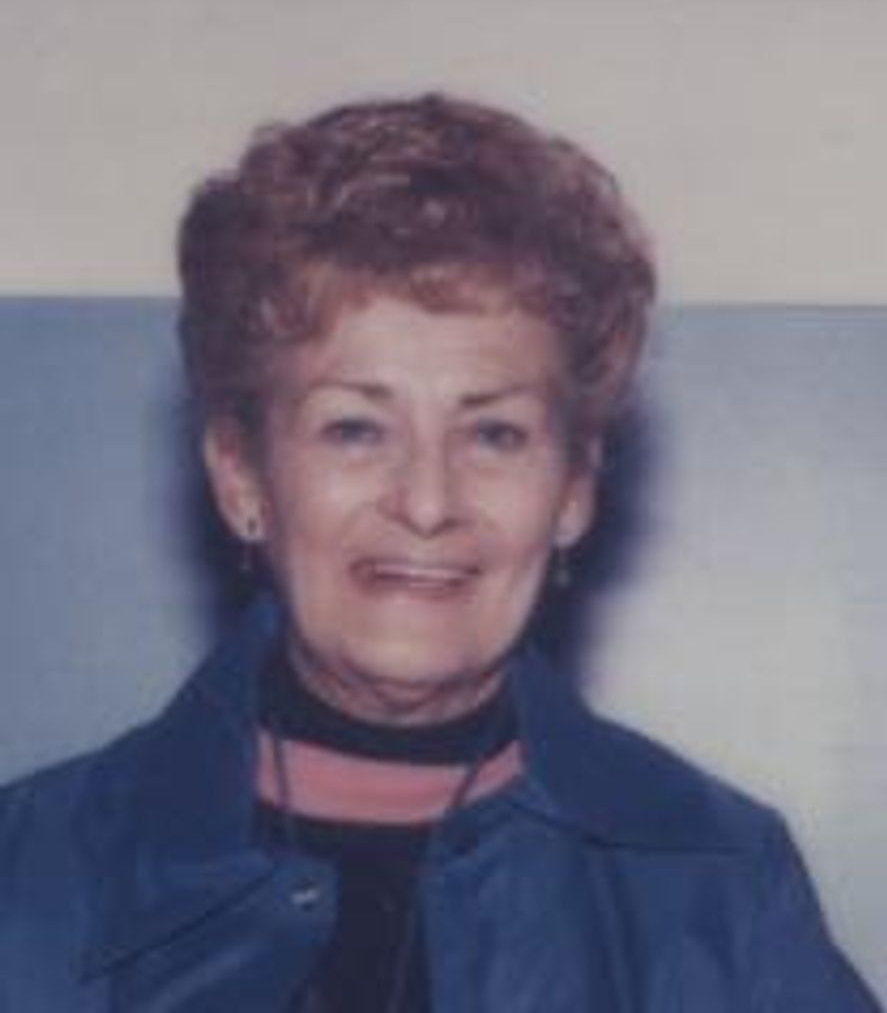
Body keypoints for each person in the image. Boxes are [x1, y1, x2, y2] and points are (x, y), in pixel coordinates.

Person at [0, 94, 880, 1012]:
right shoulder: (24, 878)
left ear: (573, 489)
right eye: (354, 429)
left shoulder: (721, 888)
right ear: (241, 476)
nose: (426, 502)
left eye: (494, 434)